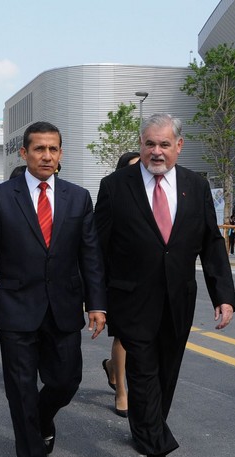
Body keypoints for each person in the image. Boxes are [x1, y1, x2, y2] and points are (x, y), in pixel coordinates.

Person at [94, 113, 235, 457]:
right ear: (141, 144)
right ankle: (157, 452)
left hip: (178, 299)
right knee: (143, 371)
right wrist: (96, 299)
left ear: (179, 146)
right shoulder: (114, 186)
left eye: (164, 144)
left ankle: (147, 426)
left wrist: (223, 295)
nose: (156, 152)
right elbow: (98, 247)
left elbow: (211, 241)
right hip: (131, 299)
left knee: (166, 373)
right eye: (149, 144)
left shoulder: (195, 185)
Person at [0, 121, 106, 457]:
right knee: (21, 391)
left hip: (63, 308)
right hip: (15, 309)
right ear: (24, 153)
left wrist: (96, 303)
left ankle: (44, 420)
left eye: (53, 149)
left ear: (61, 154)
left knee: (66, 381)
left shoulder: (78, 198)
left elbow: (90, 256)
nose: (47, 155)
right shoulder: (0, 198)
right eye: (39, 149)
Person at [100, 151, 140, 418]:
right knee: (123, 335)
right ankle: (122, 391)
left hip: (149, 280)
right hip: (120, 278)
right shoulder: (113, 193)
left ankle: (113, 367)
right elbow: (100, 240)